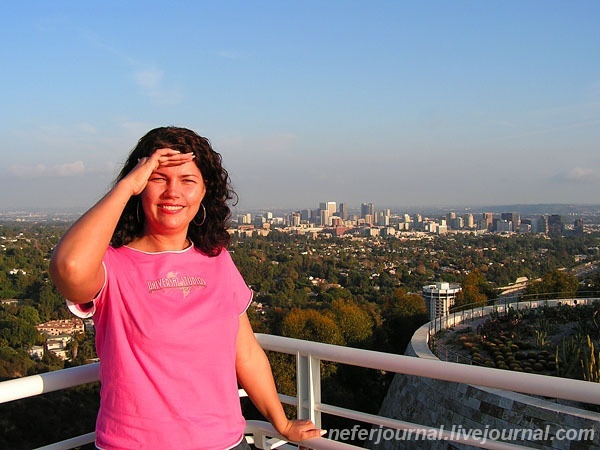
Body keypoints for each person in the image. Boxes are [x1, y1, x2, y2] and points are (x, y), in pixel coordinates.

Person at [50, 126, 324, 450]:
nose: (172, 193)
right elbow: (69, 268)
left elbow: (246, 353)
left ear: (205, 191)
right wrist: (126, 187)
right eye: (158, 178)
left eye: (187, 180)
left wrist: (282, 422)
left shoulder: (216, 259)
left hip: (226, 443)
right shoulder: (111, 266)